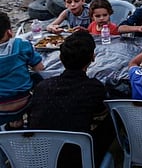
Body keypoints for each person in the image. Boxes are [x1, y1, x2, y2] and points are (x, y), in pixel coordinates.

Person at [29, 31, 114, 167]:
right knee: (111, 119)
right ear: (93, 57)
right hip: (79, 157)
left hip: (42, 155)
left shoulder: (43, 86)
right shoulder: (93, 87)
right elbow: (100, 115)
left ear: (61, 58)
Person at [0, 12, 44, 129]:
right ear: (9, 32)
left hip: (1, 107)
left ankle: (14, 123)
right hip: (23, 101)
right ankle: (27, 121)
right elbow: (39, 68)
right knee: (36, 77)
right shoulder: (21, 45)